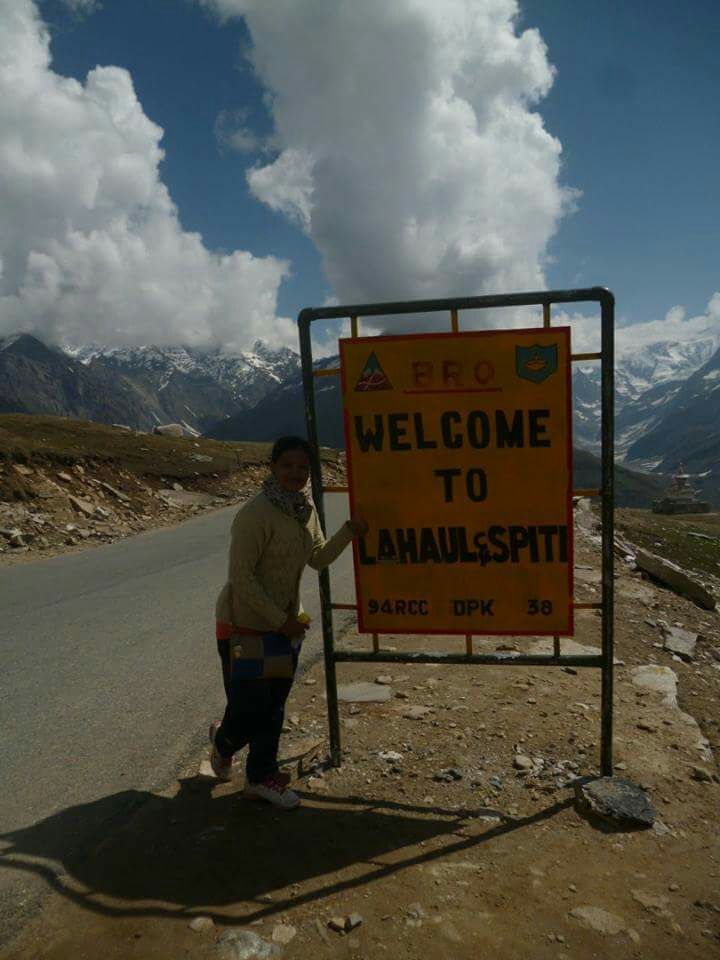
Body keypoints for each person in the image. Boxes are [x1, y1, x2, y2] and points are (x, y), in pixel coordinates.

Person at [210, 435, 368, 809]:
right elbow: (241, 578)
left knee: (273, 706)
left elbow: (317, 559)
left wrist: (349, 532)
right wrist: (281, 621)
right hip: (241, 625)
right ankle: (222, 744)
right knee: (249, 710)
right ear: (272, 468)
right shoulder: (255, 514)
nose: (295, 474)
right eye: (287, 466)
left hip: (284, 626)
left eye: (302, 468)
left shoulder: (304, 510)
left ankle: (260, 777)